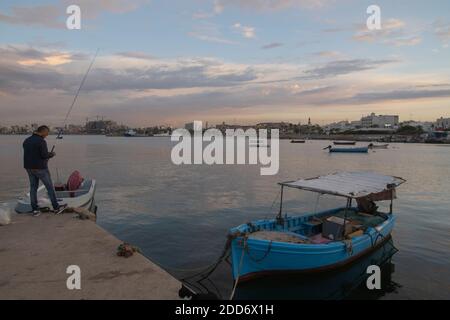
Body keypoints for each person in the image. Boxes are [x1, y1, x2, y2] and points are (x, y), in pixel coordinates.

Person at [23, 125, 66, 216]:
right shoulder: (41, 141)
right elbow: (44, 155)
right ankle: (56, 208)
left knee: (33, 188)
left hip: (29, 168)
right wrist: (51, 154)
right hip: (40, 169)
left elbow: (32, 153)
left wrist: (45, 155)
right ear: (42, 131)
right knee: (50, 187)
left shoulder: (26, 140)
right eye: (47, 133)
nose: (47, 135)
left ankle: (35, 210)